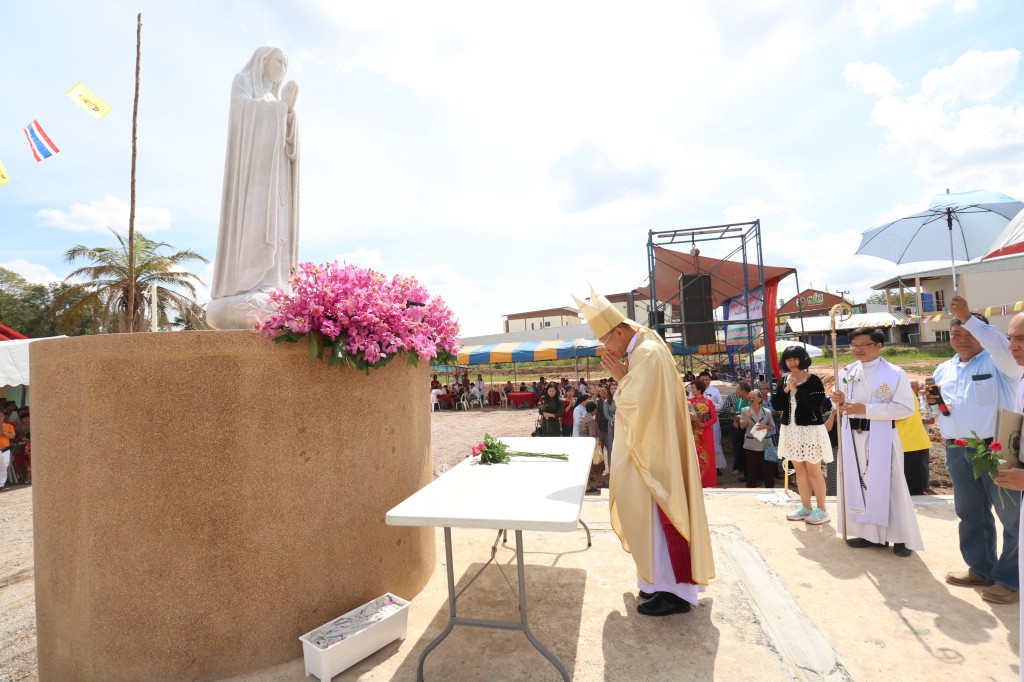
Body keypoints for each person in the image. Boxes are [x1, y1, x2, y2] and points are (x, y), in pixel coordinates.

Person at [574, 285, 713, 616]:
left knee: (660, 517)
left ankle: (675, 592)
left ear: (620, 331)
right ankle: (655, 582)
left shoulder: (647, 352)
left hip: (654, 455)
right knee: (649, 519)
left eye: (607, 340)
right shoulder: (645, 346)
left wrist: (621, 379)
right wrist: (624, 377)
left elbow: (638, 404)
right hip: (651, 447)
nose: (606, 348)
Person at [935, 297, 1022, 603]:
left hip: (995, 448)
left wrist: (969, 317)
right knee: (970, 512)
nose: (962, 339)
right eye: (956, 334)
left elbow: (999, 346)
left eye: (970, 333)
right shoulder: (943, 370)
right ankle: (981, 568)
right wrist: (933, 402)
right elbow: (943, 409)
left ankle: (1011, 579)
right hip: (957, 449)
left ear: (982, 335)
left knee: (1011, 516)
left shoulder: (1002, 363)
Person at [208, 47, 300, 330]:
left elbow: (290, 144)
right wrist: (279, 109)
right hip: (254, 177)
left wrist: (289, 114)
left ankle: (275, 282)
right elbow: (242, 113)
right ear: (263, 61)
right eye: (278, 61)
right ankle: (250, 282)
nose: (283, 67)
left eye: (286, 63)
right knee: (258, 222)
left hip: (278, 175)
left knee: (279, 225)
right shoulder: (244, 81)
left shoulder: (275, 98)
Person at [830, 327, 922, 558]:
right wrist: (837, 400)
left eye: (864, 344)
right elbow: (839, 405)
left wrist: (867, 409)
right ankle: (871, 535)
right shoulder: (847, 372)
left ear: (879, 346)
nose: (857, 349)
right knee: (860, 484)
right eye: (854, 345)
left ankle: (901, 537)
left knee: (891, 485)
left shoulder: (895, 373)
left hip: (882, 436)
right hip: (853, 437)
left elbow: (905, 408)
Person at [772, 346, 833, 525]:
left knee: (814, 470)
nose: (792, 362)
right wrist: (786, 389)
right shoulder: (783, 380)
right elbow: (776, 405)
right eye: (788, 359)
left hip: (810, 429)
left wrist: (796, 391)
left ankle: (821, 509)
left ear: (802, 359)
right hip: (791, 429)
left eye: (795, 358)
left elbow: (815, 405)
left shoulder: (813, 380)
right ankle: (806, 507)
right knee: (799, 470)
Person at [897, 381, 933, 495]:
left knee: (914, 491)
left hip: (913, 446)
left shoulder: (903, 394)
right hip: (907, 445)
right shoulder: (904, 393)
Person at [740, 389, 777, 489]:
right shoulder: (745, 410)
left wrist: (765, 426)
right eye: (750, 397)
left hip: (765, 443)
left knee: (767, 469)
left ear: (760, 399)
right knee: (751, 469)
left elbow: (772, 426)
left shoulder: (767, 412)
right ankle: (750, 488)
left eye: (753, 397)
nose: (751, 399)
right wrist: (748, 417)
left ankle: (770, 488)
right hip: (751, 444)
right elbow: (742, 426)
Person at [688, 381, 719, 488]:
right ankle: (695, 482)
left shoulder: (708, 402)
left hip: (705, 432)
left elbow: (714, 418)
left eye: (693, 388)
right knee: (694, 456)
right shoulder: (689, 402)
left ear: (699, 389)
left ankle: (708, 481)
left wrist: (704, 424)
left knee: (707, 456)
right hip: (693, 432)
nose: (692, 390)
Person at [723, 381, 751, 480]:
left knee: (748, 451)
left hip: (748, 429)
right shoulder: (740, 400)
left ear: (743, 391)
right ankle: (743, 470)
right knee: (740, 449)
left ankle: (750, 473)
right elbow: (736, 412)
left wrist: (739, 418)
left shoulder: (751, 400)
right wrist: (735, 420)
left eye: (738, 389)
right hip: (740, 429)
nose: (736, 391)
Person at [699, 372, 726, 473]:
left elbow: (721, 405)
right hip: (699, 421)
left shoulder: (715, 391)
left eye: (707, 380)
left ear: (710, 380)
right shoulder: (695, 390)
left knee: (715, 441)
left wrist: (710, 406)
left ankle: (716, 466)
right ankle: (702, 466)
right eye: (703, 380)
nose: (705, 382)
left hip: (712, 420)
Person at [579, 401, 604, 494]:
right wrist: (597, 444)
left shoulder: (583, 417)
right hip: (589, 444)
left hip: (583, 442)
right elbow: (592, 435)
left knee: (587, 464)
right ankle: (593, 484)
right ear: (595, 410)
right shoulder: (591, 420)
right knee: (597, 464)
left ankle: (589, 485)